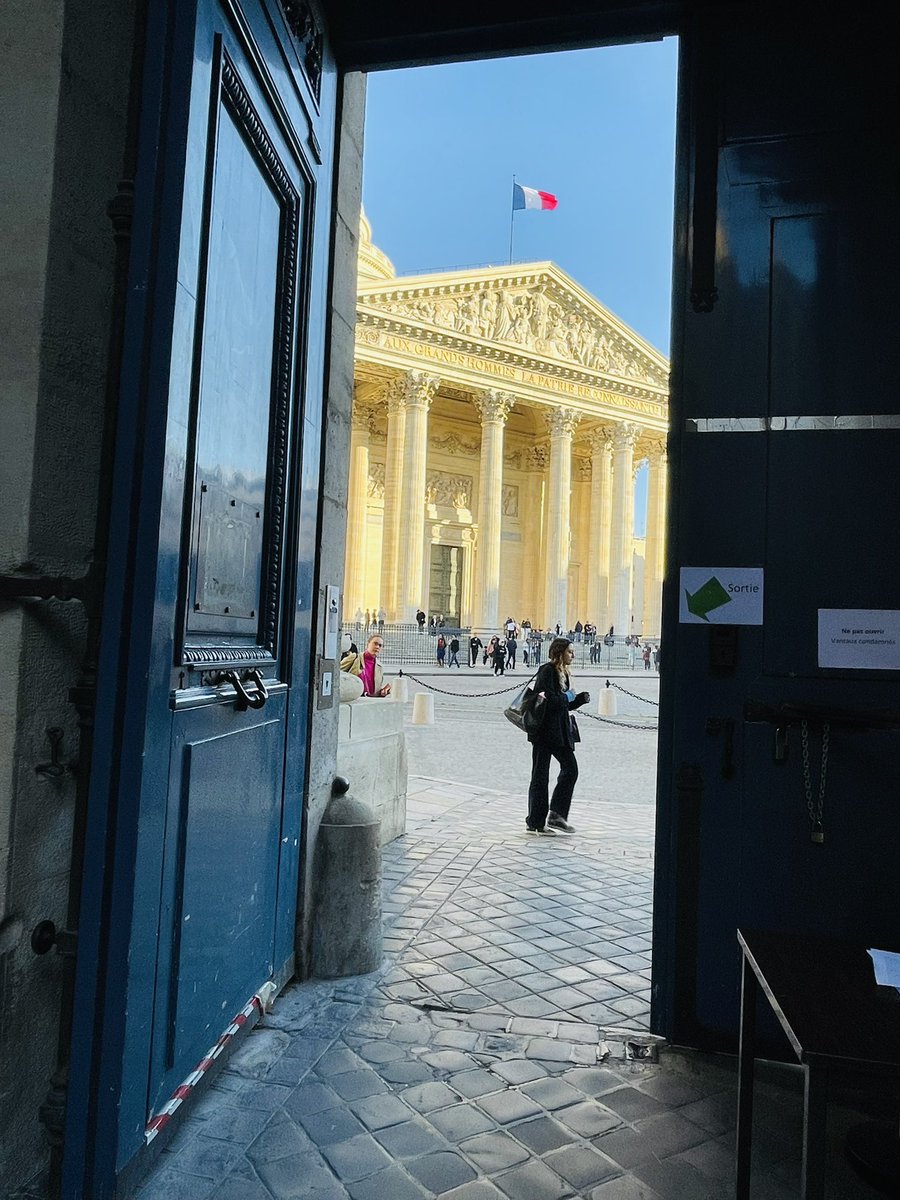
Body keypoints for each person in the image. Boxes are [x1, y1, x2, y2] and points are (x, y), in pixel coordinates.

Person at [525, 638, 590, 835]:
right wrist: (569, 696)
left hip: (560, 732)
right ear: (560, 652)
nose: (573, 655)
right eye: (570, 651)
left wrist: (578, 700)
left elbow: (563, 706)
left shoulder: (565, 673)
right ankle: (535, 821)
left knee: (571, 770)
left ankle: (556, 815)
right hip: (544, 732)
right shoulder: (547, 671)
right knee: (540, 776)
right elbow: (549, 700)